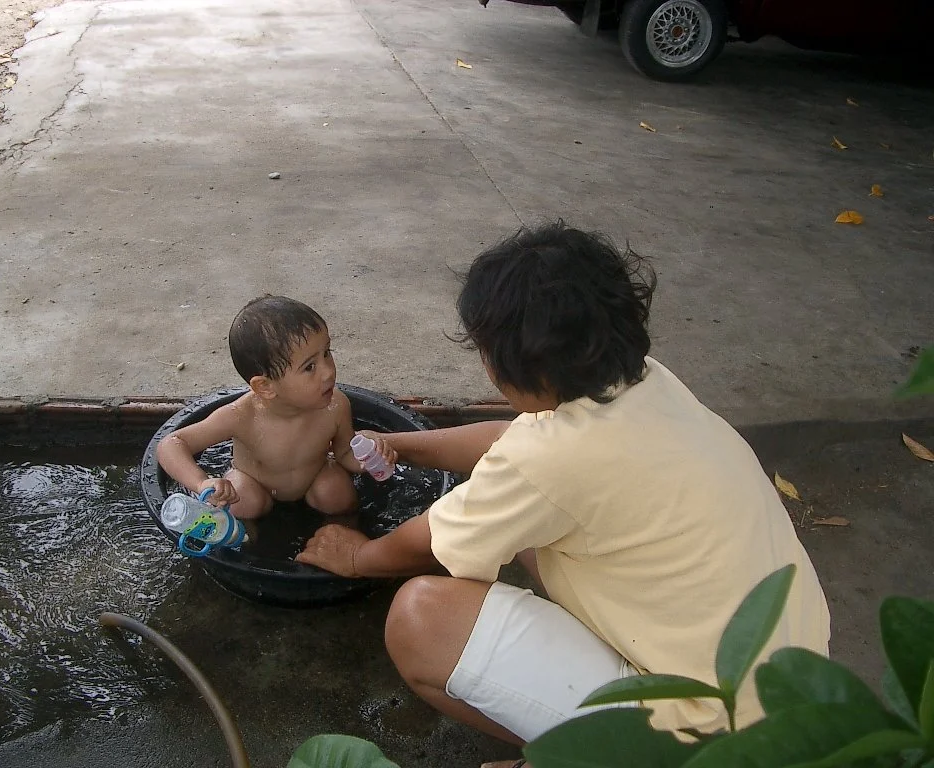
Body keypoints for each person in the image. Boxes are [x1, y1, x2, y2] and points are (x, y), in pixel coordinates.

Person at [295, 221, 830, 752]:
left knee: (420, 619)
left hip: (711, 732)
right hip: (795, 684)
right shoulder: (642, 381)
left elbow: (433, 539)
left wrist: (359, 556)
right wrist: (401, 444)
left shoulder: (551, 461)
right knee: (529, 525)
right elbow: (512, 441)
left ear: (521, 369)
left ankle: (573, 758)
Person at [157, 295, 395, 519]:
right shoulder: (241, 416)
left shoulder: (335, 405)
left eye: (327, 353)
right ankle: (248, 542)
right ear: (265, 387)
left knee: (337, 491)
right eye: (309, 367)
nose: (328, 371)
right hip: (256, 486)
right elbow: (171, 444)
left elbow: (343, 452)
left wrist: (369, 455)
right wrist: (201, 483)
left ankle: (345, 533)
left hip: (312, 479)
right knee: (242, 500)